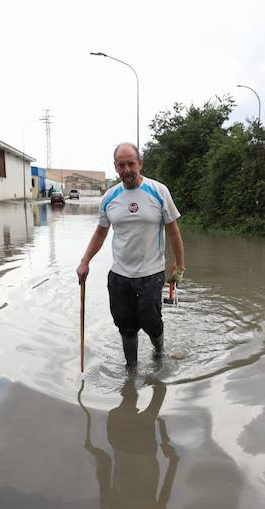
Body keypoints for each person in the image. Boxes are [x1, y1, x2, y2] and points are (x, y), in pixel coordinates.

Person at [76, 143, 185, 368]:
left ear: (140, 164)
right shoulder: (110, 197)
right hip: (120, 276)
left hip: (151, 273)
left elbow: (173, 230)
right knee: (125, 326)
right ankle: (131, 371)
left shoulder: (158, 191)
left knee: (151, 321)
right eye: (121, 165)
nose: (127, 170)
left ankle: (159, 351)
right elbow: (100, 232)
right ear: (115, 167)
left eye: (131, 164)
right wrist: (85, 261)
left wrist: (179, 267)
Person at [81, 377, 179, 509]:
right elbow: (105, 462)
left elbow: (167, 486)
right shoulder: (108, 507)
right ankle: (132, 373)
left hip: (144, 447)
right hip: (120, 441)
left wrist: (173, 461)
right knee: (130, 396)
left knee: (160, 388)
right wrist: (93, 449)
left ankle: (143, 373)